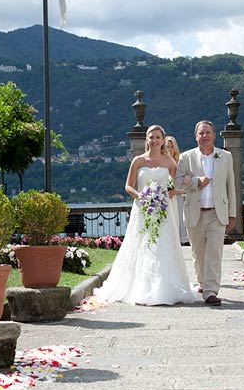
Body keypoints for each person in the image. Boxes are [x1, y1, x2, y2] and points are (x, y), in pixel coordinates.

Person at [94, 125, 199, 306]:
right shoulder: (138, 160)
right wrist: (141, 196)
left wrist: (167, 194)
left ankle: (163, 288)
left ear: (162, 139)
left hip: (162, 210)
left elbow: (179, 184)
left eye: (158, 137)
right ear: (147, 140)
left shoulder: (168, 161)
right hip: (142, 209)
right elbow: (128, 185)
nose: (154, 140)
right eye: (151, 137)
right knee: (141, 244)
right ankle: (139, 287)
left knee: (162, 246)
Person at [175, 120, 236, 306]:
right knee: (198, 253)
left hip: (217, 213)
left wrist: (232, 214)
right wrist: (195, 182)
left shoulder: (225, 156)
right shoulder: (186, 157)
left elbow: (230, 186)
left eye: (208, 132)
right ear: (196, 136)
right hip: (195, 212)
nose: (205, 136)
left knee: (215, 253)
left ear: (214, 134)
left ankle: (211, 291)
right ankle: (202, 282)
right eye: (201, 133)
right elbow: (177, 183)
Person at [165, 135, 188, 245]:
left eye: (171, 146)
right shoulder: (161, 164)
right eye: (166, 146)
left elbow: (187, 186)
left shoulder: (180, 163)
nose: (169, 149)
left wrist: (175, 191)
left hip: (178, 199)